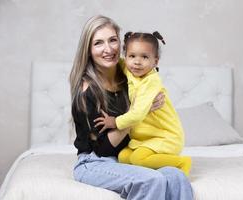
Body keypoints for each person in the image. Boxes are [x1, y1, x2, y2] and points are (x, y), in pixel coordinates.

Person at [70, 15, 193, 200]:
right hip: (94, 161)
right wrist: (141, 112)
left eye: (112, 40)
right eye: (98, 43)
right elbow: (103, 149)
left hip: (125, 156)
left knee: (176, 176)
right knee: (151, 180)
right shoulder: (87, 90)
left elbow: (150, 72)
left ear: (121, 44)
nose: (108, 49)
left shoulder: (129, 75)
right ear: (88, 50)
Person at [94, 31, 192, 176]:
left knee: (138, 159)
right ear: (126, 56)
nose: (137, 62)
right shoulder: (130, 70)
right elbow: (114, 62)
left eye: (144, 57)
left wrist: (115, 122)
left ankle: (181, 162)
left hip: (165, 136)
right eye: (132, 56)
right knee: (123, 157)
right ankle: (151, 170)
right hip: (144, 138)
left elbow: (137, 115)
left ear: (155, 61)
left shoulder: (151, 81)